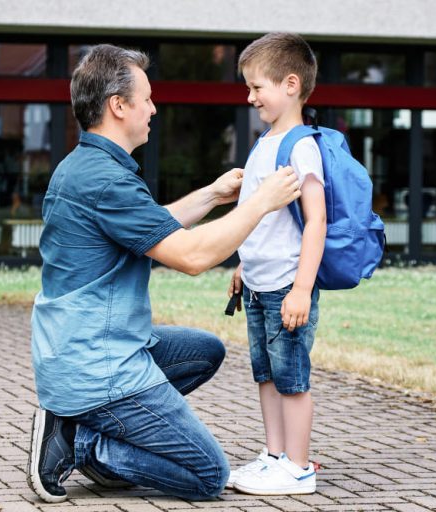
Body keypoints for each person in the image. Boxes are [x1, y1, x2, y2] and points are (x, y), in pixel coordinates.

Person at [26, 44, 302, 503]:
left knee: (204, 351)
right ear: (118, 106)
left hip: (76, 351)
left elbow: (150, 227)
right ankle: (82, 441)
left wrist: (213, 195)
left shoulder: (84, 166)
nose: (154, 108)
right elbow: (191, 257)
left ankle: (88, 423)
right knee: (207, 474)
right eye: (147, 98)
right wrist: (261, 203)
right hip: (99, 364)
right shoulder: (106, 181)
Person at [226, 33, 326, 495]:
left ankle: (299, 467)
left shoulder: (300, 146)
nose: (249, 97)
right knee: (266, 375)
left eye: (256, 87)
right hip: (258, 284)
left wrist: (302, 288)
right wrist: (243, 266)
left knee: (292, 379)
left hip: (288, 286)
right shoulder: (265, 141)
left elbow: (315, 222)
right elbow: (262, 217)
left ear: (290, 84)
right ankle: (274, 456)